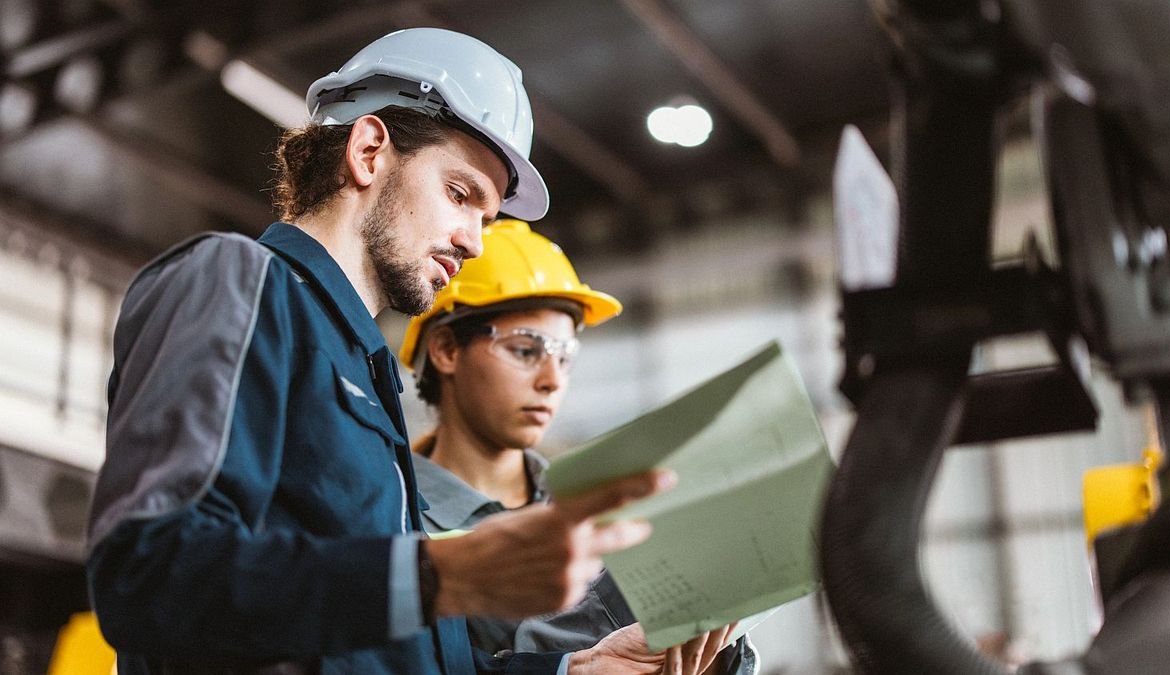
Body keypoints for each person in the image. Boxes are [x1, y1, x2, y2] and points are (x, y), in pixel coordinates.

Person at [85, 27, 675, 675]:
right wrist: (444, 575)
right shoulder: (240, 282)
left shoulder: (365, 368)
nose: (476, 242)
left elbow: (380, 655)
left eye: (489, 217)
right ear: (369, 152)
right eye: (460, 195)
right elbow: (150, 578)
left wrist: (570, 671)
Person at [398, 219, 758, 674]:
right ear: (446, 350)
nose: (552, 381)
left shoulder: (601, 502)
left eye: (564, 357)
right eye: (526, 350)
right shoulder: (394, 521)